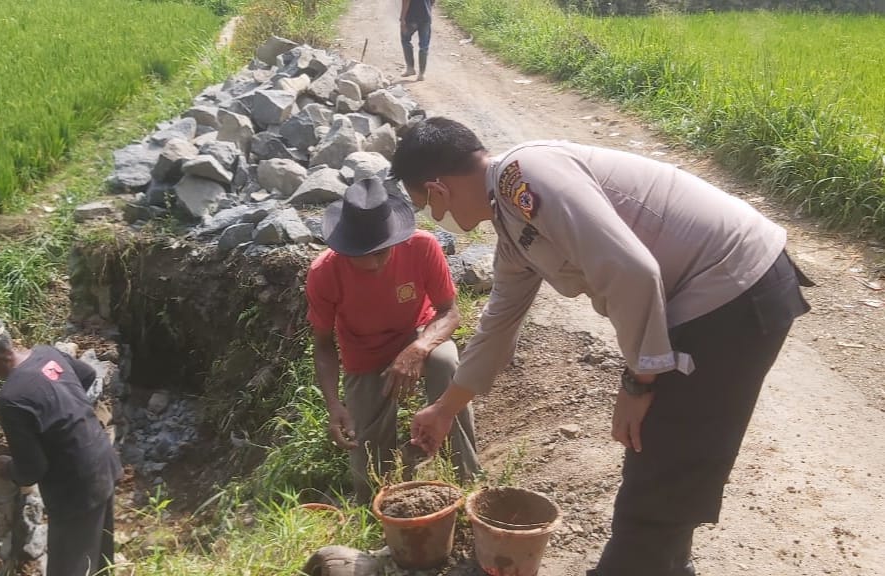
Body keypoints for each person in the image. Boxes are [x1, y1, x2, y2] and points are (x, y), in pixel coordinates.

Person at [391, 117, 812, 576]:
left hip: (732, 289)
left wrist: (638, 381)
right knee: (663, 460)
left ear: (438, 189)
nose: (434, 217)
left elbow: (632, 271)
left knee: (656, 476)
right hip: (717, 297)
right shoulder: (513, 224)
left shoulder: (525, 175)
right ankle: (670, 565)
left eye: (423, 204)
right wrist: (446, 409)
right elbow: (498, 323)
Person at [306, 177, 480, 503]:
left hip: (417, 335)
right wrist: (334, 404)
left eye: (382, 252)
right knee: (369, 475)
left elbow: (449, 312)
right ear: (344, 246)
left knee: (446, 362)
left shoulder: (422, 246)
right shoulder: (324, 272)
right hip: (364, 356)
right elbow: (324, 344)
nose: (374, 263)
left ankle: (467, 478)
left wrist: (419, 348)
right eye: (364, 255)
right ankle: (385, 500)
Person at [0, 308, 122, 576]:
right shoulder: (45, 354)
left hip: (76, 489)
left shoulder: (11, 399)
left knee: (69, 568)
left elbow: (31, 470)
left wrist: (5, 466)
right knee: (100, 560)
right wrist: (66, 414)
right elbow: (86, 375)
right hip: (102, 460)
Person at [400, 0, 434, 81]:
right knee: (424, 46)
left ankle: (410, 68)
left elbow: (406, 1)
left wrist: (402, 19)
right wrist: (428, 9)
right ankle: (421, 74)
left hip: (411, 17)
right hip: (426, 17)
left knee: (405, 40)